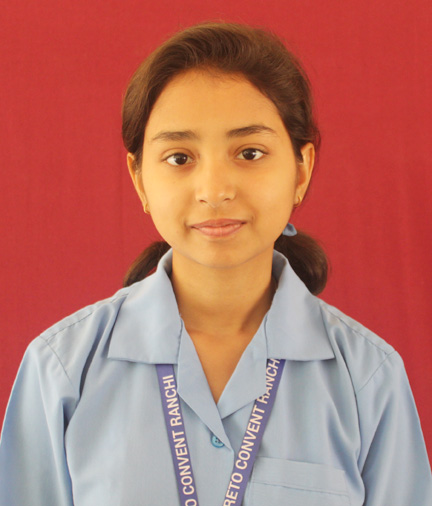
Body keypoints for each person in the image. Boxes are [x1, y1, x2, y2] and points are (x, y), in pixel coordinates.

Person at [0, 21, 430, 506]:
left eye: (249, 152)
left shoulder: (368, 378)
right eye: (179, 158)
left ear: (301, 170)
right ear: (139, 179)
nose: (214, 190)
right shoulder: (61, 370)